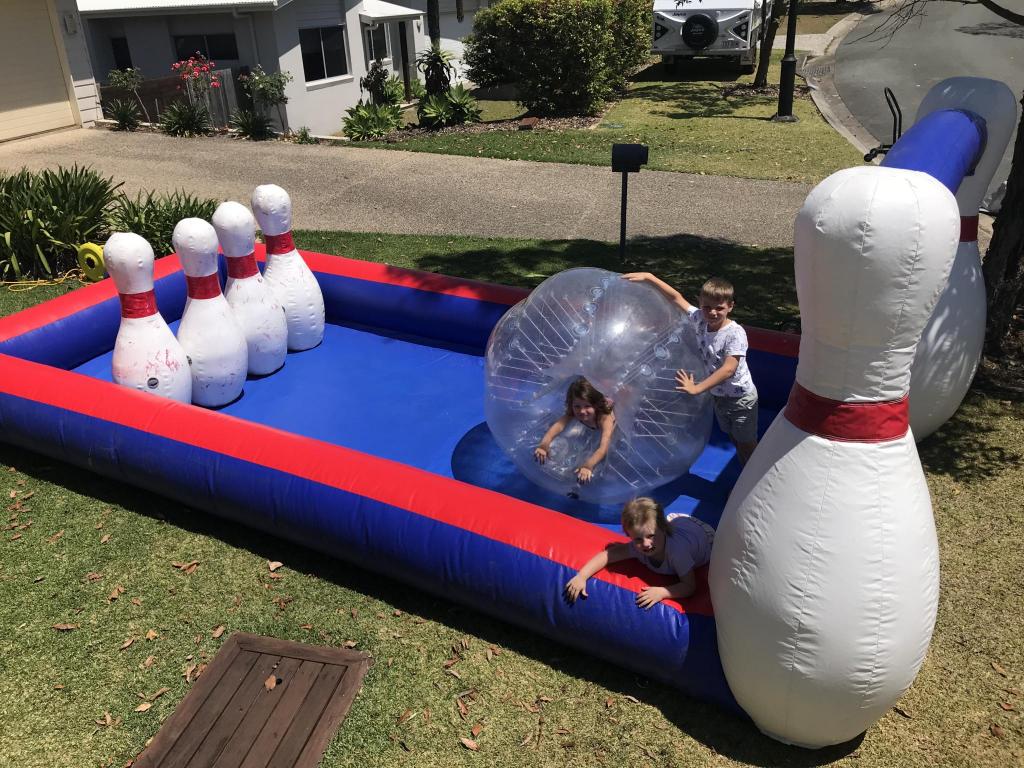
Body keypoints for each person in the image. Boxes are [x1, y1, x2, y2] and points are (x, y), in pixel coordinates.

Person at [623, 272, 759, 464]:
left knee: (747, 443)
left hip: (740, 398)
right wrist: (650, 277)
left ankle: (755, 480)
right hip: (719, 396)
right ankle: (747, 471)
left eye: (719, 308)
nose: (712, 312)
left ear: (730, 306)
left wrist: (698, 388)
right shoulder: (699, 320)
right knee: (735, 439)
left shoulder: (735, 334)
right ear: (700, 304)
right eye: (707, 307)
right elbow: (676, 297)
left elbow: (729, 369)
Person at [564, 497, 714, 608]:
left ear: (663, 529)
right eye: (637, 539)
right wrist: (581, 576)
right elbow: (608, 555)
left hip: (706, 537)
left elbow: (689, 586)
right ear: (630, 537)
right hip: (681, 528)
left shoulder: (677, 552)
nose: (646, 544)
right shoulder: (638, 547)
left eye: (651, 536)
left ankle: (675, 522)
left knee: (683, 529)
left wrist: (662, 592)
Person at [534, 377, 616, 484]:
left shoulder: (605, 418)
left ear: (596, 405)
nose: (582, 411)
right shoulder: (573, 411)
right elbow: (557, 426)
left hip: (608, 423)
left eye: (587, 406)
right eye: (577, 406)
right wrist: (543, 446)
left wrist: (588, 466)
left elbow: (603, 447)